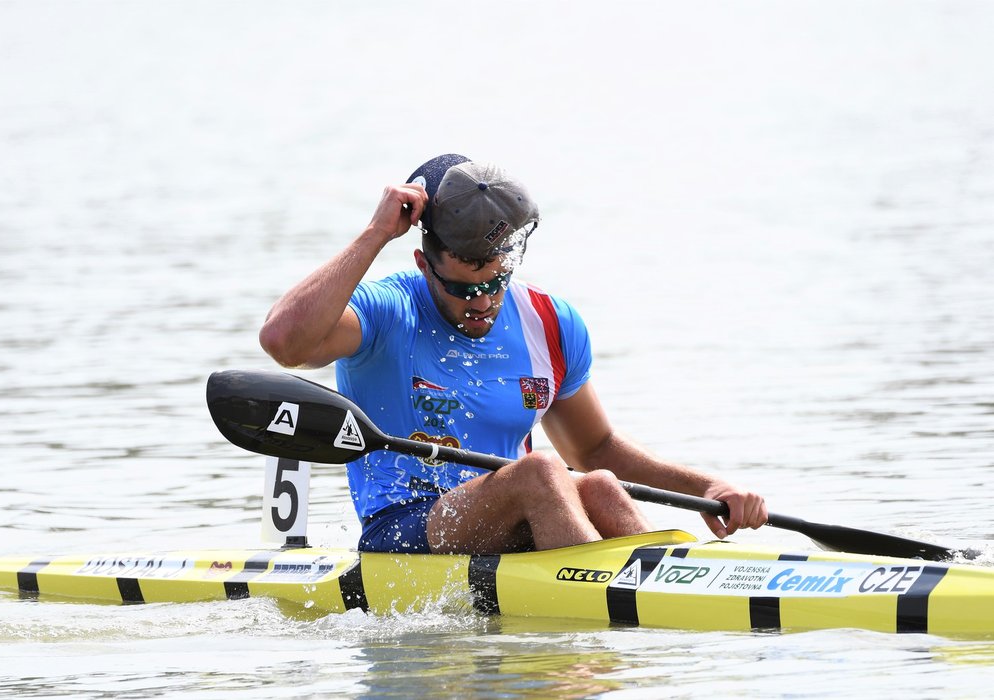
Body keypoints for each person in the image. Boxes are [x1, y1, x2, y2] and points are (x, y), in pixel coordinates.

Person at [259, 153, 767, 554]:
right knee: (542, 473)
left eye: (496, 281)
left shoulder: (549, 321)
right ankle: (596, 611)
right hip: (403, 528)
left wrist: (709, 486)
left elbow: (595, 448)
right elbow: (283, 343)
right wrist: (375, 234)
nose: (481, 302)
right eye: (461, 288)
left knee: (603, 485)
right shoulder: (388, 309)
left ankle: (664, 600)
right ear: (423, 262)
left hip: (523, 512)